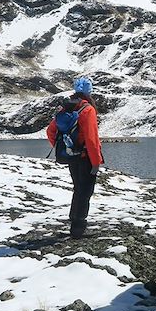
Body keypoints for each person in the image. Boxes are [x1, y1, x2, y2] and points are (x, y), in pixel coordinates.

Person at [46, 77, 103, 239]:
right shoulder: (87, 109)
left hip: (72, 157)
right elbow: (92, 139)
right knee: (85, 191)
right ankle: (78, 229)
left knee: (78, 188)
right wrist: (96, 162)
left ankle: (73, 218)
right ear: (89, 92)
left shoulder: (66, 108)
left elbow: (50, 131)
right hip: (85, 157)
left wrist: (65, 147)